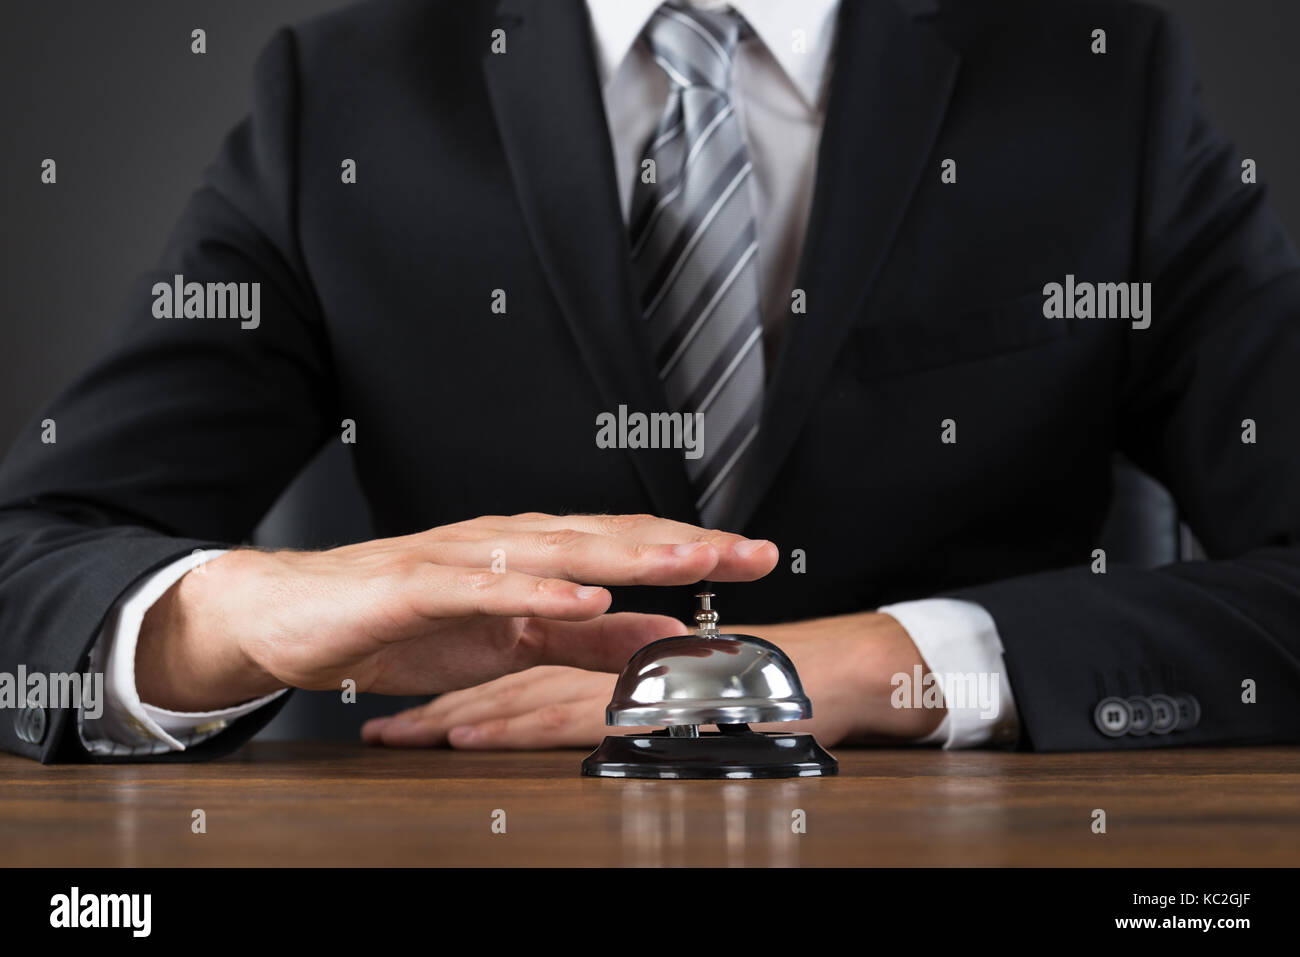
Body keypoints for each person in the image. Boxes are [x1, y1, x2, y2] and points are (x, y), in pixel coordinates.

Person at [2, 0, 1298, 764]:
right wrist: (241, 611)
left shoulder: (1096, 79)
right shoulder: (344, 99)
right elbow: (28, 564)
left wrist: (886, 662)